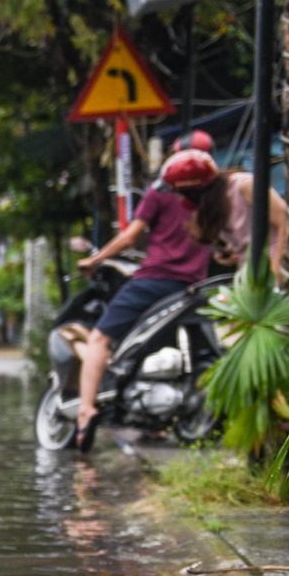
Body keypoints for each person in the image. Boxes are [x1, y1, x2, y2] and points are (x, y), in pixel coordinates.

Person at [72, 148, 220, 450]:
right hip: (195, 287)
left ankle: (86, 410)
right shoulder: (213, 194)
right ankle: (152, 424)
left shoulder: (162, 190)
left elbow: (129, 237)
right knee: (161, 343)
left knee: (100, 339)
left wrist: (96, 260)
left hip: (155, 281)